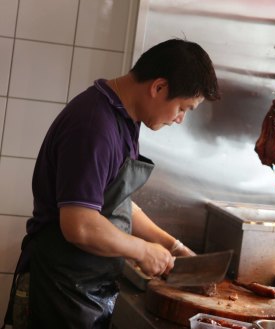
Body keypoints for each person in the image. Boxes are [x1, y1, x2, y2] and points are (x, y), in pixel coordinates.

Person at [1, 38, 220, 329]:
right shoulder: (94, 125)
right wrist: (142, 251)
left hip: (84, 286)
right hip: (59, 289)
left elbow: (115, 200)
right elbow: (79, 224)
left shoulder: (123, 118)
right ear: (158, 87)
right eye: (184, 108)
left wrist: (171, 245)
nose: (180, 119)